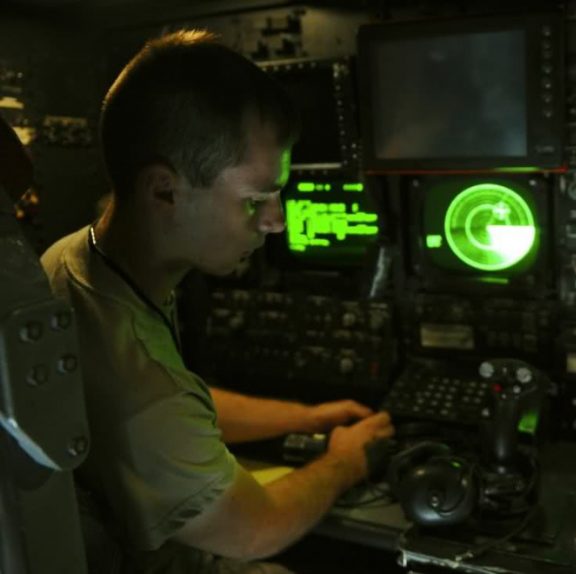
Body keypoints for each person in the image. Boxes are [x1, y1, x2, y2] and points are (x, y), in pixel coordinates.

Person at [40, 29, 394, 572]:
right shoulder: (142, 379)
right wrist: (345, 460)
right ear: (164, 192)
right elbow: (256, 529)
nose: (276, 221)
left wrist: (306, 417)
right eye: (256, 200)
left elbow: (186, 407)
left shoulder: (73, 259)